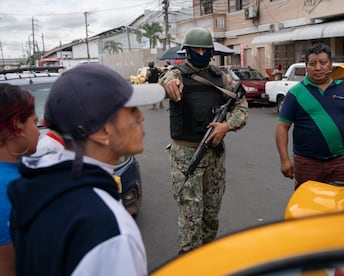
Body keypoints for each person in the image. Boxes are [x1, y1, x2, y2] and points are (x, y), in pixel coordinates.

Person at [7, 63, 165, 275]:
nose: (141, 117)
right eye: (131, 110)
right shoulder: (111, 231)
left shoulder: (38, 189)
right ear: (102, 131)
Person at [159, 27, 248, 255]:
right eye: (195, 49)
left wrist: (227, 126)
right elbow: (166, 77)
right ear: (186, 51)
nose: (200, 53)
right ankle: (189, 265)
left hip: (214, 157)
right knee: (190, 219)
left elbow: (241, 108)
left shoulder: (221, 77)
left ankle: (206, 260)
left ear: (211, 51)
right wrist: (169, 81)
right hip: (185, 157)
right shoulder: (177, 75)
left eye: (204, 49)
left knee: (210, 216)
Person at [275, 43, 344, 190]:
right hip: (307, 162)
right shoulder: (296, 93)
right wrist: (284, 160)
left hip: (339, 161)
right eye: (312, 64)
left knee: (339, 205)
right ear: (306, 67)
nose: (318, 68)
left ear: (331, 66)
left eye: (323, 63)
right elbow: (282, 127)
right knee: (307, 207)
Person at [0, 83, 40, 276]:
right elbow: (8, 268)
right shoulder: (13, 190)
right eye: (34, 121)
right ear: (17, 125)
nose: (39, 131)